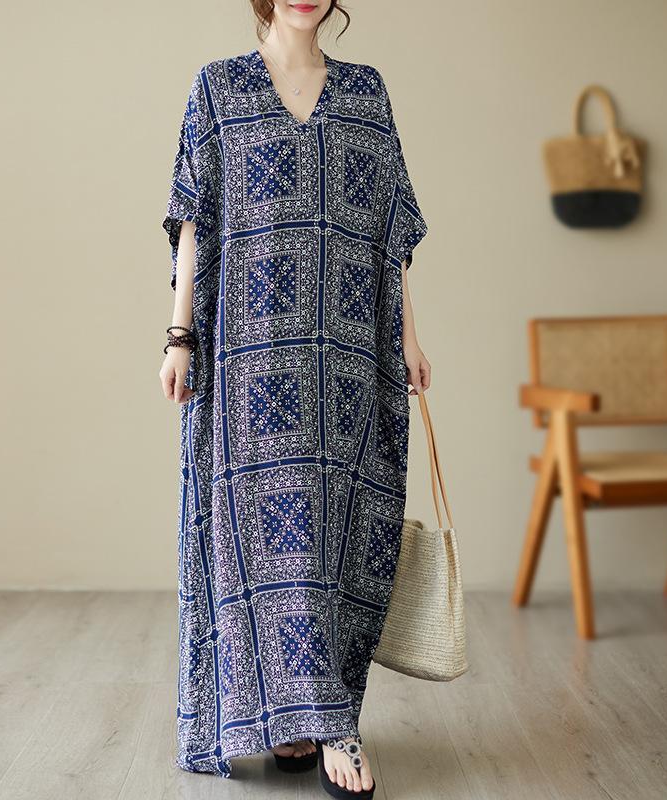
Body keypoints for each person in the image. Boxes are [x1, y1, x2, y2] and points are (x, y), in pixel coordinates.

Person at [159, 1, 431, 796]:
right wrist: (179, 335)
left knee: (332, 529)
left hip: (345, 353)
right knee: (268, 541)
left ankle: (311, 719)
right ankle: (320, 723)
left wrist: (409, 337)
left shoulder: (366, 92)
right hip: (247, 356)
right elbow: (192, 218)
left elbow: (391, 229)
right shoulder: (218, 89)